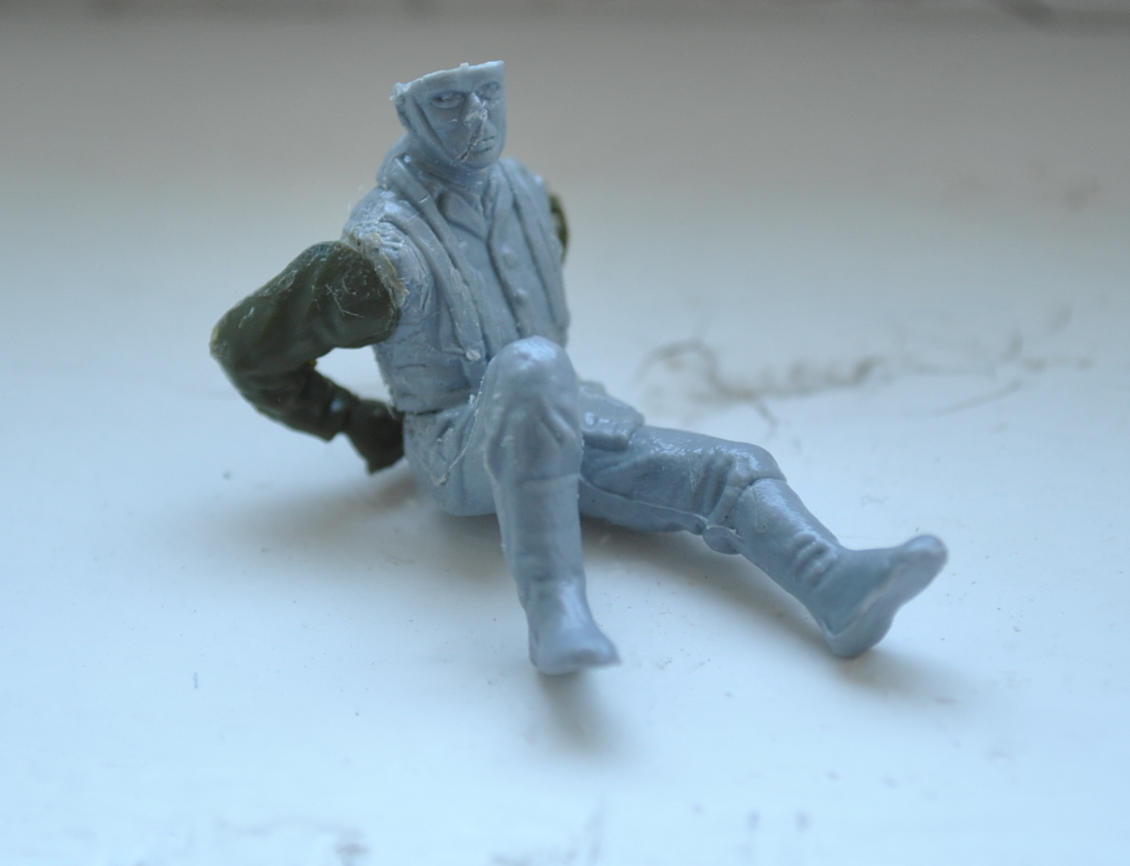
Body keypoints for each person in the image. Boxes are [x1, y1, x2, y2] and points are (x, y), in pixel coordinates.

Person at [212, 61, 946, 674]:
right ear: (410, 115)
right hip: (456, 447)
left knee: (729, 468)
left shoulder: (533, 202)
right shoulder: (381, 257)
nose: (476, 118)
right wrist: (357, 423)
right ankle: (555, 610)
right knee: (531, 366)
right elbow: (245, 348)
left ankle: (835, 585)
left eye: (488, 94)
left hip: (563, 410)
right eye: (448, 102)